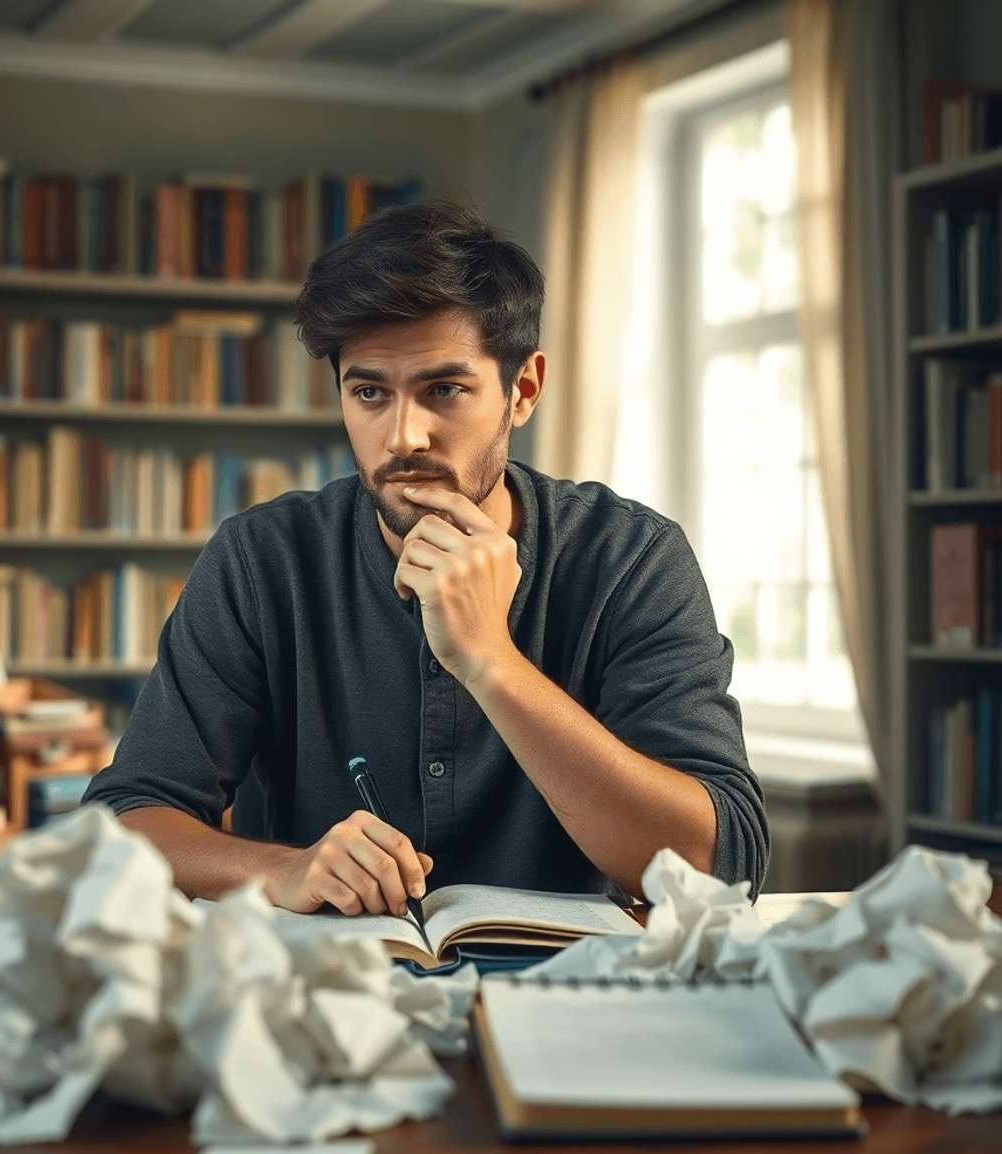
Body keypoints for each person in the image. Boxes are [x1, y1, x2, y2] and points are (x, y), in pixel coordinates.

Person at [83, 200, 768, 920]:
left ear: (522, 390)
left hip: (565, 997)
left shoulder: (630, 560)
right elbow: (124, 818)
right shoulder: (263, 561)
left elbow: (722, 866)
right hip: (323, 997)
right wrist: (284, 868)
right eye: (370, 392)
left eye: (444, 389)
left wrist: (491, 662)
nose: (403, 436)